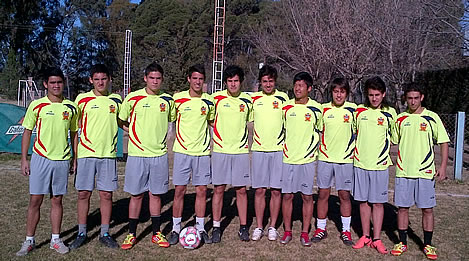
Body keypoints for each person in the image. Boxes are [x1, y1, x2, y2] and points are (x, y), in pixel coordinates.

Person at [16, 68, 79, 256]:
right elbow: (27, 131)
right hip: (40, 158)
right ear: (46, 84)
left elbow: (74, 133)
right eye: (52, 83)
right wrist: (24, 159)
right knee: (35, 200)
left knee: (57, 200)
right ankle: (29, 240)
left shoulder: (71, 107)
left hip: (61, 160)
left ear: (63, 83)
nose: (56, 85)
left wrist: (74, 158)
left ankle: (55, 239)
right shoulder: (36, 106)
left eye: (59, 82)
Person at [118, 62, 176, 250]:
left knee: (156, 195)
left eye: (158, 78)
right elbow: (121, 120)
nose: (155, 81)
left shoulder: (167, 100)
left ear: (162, 79)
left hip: (159, 155)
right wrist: (133, 132)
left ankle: (156, 233)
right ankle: (131, 234)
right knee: (136, 195)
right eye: (151, 78)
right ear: (145, 78)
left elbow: (172, 119)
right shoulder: (133, 98)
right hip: (137, 155)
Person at [391, 83, 448, 260]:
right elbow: (392, 140)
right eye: (410, 98)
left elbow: (443, 142)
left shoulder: (432, 117)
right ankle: (402, 242)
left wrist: (443, 166)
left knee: (427, 210)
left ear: (422, 97)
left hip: (425, 172)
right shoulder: (400, 119)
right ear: (405, 99)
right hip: (403, 171)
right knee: (402, 208)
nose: (413, 101)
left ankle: (428, 244)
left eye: (416, 98)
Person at [69, 64, 122, 249]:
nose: (100, 82)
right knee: (83, 194)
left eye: (104, 79)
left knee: (106, 195)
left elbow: (124, 122)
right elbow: (74, 129)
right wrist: (74, 156)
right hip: (85, 154)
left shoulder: (116, 100)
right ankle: (82, 232)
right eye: (97, 79)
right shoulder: (81, 100)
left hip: (108, 155)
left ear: (109, 80)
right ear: (91, 80)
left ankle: (105, 233)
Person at [166, 64, 215, 245]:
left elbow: (211, 122)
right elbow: (170, 118)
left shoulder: (209, 101)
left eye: (201, 79)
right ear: (189, 79)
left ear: (204, 81)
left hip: (202, 153)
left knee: (202, 191)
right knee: (179, 191)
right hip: (182, 153)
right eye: (194, 78)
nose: (197, 82)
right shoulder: (177, 99)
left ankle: (201, 228)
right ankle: (175, 228)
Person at [352, 76, 397, 254]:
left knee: (378, 203)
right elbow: (354, 133)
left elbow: (394, 138)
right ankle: (365, 235)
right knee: (363, 202)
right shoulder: (359, 111)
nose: (374, 98)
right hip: (360, 164)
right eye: (371, 95)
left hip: (380, 165)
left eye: (377, 95)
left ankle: (376, 238)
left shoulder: (390, 113)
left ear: (383, 94)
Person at [211, 65, 253, 242]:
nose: (233, 84)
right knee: (219, 189)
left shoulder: (248, 101)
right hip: (220, 151)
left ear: (241, 82)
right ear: (225, 82)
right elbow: (209, 119)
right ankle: (216, 227)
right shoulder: (215, 99)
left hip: (241, 151)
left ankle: (243, 227)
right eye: (230, 81)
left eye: (236, 81)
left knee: (241, 190)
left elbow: (250, 121)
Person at [280, 72, 322, 247]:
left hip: (307, 160)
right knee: (287, 196)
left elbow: (320, 131)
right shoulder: (286, 108)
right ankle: (287, 231)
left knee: (307, 197)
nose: (297, 88)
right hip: (288, 159)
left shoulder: (317, 109)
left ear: (309, 88)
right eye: (296, 85)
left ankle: (305, 233)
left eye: (301, 85)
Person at [314, 78, 356, 245]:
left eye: (342, 91)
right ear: (331, 92)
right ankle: (320, 228)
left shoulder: (353, 110)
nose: (339, 95)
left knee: (344, 195)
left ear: (347, 93)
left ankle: (346, 231)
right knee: (323, 194)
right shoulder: (323, 109)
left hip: (345, 160)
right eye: (336, 91)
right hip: (325, 159)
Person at [250, 65, 288, 241]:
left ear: (275, 81)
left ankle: (272, 227)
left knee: (275, 191)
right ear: (260, 82)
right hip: (258, 150)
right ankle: (259, 226)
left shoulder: (283, 98)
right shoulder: (254, 99)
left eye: (270, 81)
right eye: (264, 81)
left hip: (278, 151)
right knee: (259, 191)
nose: (267, 84)